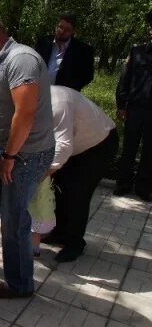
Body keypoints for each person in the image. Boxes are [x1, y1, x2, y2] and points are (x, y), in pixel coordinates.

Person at [0, 15, 55, 299]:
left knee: (14, 218)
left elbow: (26, 112)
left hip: (25, 153)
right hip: (8, 148)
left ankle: (20, 284)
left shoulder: (21, 59)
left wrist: (10, 155)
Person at [39, 86, 119, 262]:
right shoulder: (37, 98)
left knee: (78, 194)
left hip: (99, 144)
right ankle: (60, 233)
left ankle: (75, 243)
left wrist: (44, 173)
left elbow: (63, 145)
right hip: (76, 144)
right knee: (59, 188)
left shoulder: (57, 103)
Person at [114, 11, 152, 201]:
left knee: (150, 150)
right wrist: (121, 105)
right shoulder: (136, 52)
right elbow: (125, 80)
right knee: (129, 147)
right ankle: (123, 183)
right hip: (135, 107)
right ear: (149, 28)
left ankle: (143, 186)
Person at [35, 14, 94, 91]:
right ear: (56, 26)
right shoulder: (43, 43)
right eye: (60, 27)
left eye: (67, 29)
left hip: (65, 97)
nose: (62, 31)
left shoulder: (83, 50)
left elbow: (88, 76)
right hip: (39, 92)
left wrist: (72, 88)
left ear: (73, 31)